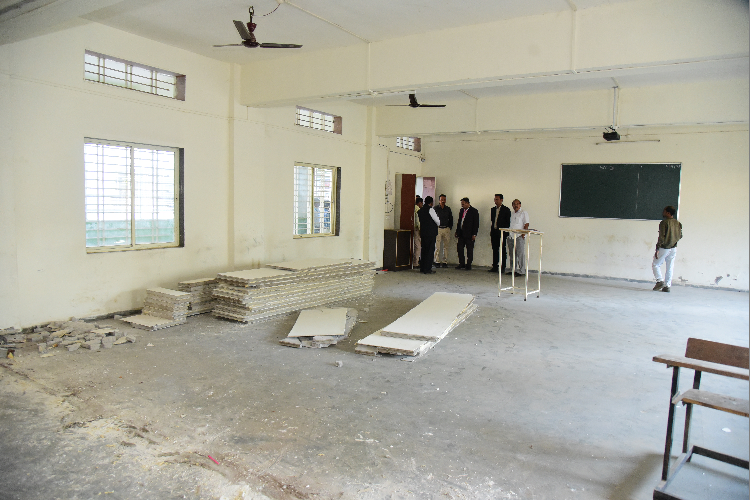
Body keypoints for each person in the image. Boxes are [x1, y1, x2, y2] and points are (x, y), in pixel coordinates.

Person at [652, 205, 682, 293]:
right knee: (670, 266)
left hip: (665, 247)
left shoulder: (664, 223)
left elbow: (661, 237)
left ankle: (659, 281)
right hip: (673, 248)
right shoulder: (678, 223)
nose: (663, 213)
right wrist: (674, 241)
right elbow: (680, 235)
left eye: (664, 211)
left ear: (668, 213)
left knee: (656, 264)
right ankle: (667, 286)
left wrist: (657, 248)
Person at [454, 197, 479, 270]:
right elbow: (459, 221)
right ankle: (461, 263)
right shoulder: (462, 210)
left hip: (469, 234)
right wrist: (457, 231)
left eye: (463, 204)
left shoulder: (474, 211)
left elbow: (476, 224)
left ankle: (468, 265)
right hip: (461, 233)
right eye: (461, 204)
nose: (462, 205)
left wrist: (474, 234)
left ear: (467, 203)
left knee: (469, 250)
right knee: (460, 249)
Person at [417, 196, 440, 274]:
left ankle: (422, 267)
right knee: (430, 251)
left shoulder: (420, 210)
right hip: (431, 233)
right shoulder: (431, 209)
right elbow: (438, 221)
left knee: (424, 250)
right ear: (431, 203)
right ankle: (427, 268)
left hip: (423, 232)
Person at [506, 199, 530, 275]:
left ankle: (522, 271)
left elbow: (526, 224)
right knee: (512, 255)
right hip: (511, 236)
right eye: (514, 204)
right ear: (512, 205)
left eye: (517, 204)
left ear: (520, 205)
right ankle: (513, 270)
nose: (516, 205)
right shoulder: (512, 213)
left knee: (520, 254)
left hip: (519, 236)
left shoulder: (523, 213)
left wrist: (523, 235)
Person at [489, 194, 511, 273]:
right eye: (495, 199)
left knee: (502, 250)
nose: (495, 201)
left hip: (502, 233)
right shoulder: (493, 210)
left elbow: (507, 223)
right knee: (495, 250)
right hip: (494, 232)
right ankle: (495, 266)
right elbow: (493, 221)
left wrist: (505, 232)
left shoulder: (506, 210)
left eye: (497, 199)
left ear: (501, 200)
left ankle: (502, 267)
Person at [433, 194, 453, 268]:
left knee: (446, 246)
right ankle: (436, 261)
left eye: (444, 200)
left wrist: (449, 227)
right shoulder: (435, 209)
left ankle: (445, 262)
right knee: (437, 246)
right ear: (439, 200)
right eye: (442, 200)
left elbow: (451, 219)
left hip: (446, 229)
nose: (443, 201)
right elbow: (433, 219)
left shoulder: (448, 209)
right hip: (438, 229)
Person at [413, 196, 423, 267]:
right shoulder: (418, 210)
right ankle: (416, 263)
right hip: (417, 229)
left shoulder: (413, 208)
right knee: (418, 246)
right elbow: (417, 221)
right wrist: (421, 230)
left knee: (416, 246)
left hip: (414, 228)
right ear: (420, 203)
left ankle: (415, 261)